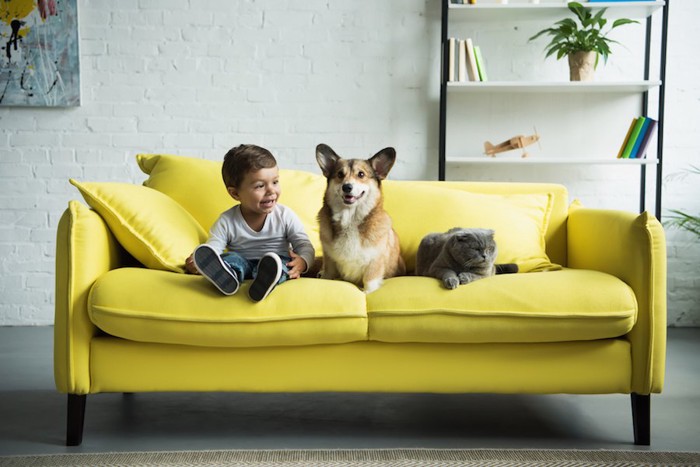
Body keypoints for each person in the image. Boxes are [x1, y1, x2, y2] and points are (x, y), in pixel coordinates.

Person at [185, 144, 315, 302]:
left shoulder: (285, 215)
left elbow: (304, 245)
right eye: (260, 186)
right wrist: (199, 263)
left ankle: (265, 281)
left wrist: (303, 262)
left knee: (281, 265)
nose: (271, 191)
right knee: (231, 260)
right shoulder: (227, 220)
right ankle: (229, 277)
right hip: (243, 264)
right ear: (235, 193)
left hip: (275, 261)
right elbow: (215, 247)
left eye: (275, 182)